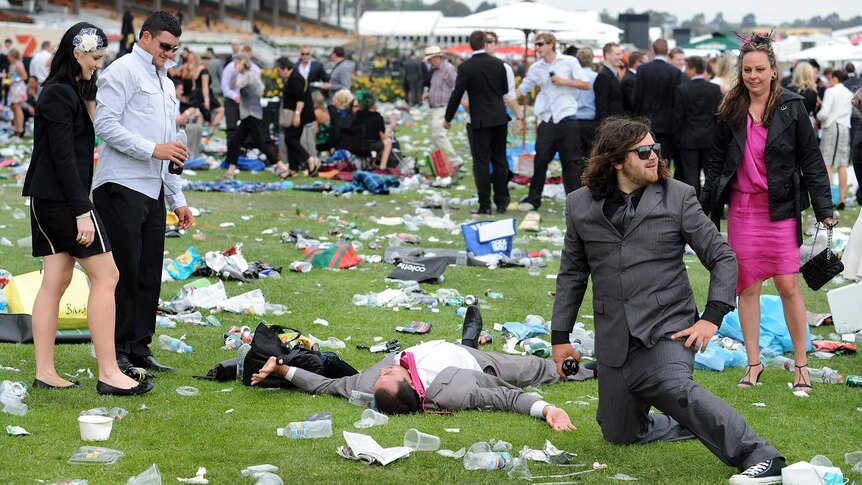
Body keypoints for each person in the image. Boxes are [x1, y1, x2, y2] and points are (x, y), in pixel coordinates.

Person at [551, 116, 787, 485]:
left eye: (655, 149)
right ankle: (696, 422)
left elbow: (723, 257)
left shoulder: (678, 196)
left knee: (670, 383)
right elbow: (572, 275)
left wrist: (712, 316)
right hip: (615, 335)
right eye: (643, 151)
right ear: (616, 160)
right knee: (619, 433)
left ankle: (760, 456)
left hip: (669, 325)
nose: (653, 157)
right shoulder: (579, 205)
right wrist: (559, 337)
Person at [22, 23, 153, 396]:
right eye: (95, 58)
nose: (99, 64)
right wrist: (82, 211)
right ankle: (109, 372)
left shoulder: (73, 90)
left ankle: (45, 371)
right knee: (107, 276)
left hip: (52, 198)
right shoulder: (58, 95)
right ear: (78, 53)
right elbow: (63, 158)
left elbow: (95, 125)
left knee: (57, 280)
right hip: (63, 200)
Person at [701, 33, 833, 392]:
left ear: (774, 70)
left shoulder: (792, 107)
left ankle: (802, 367)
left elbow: (811, 160)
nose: (753, 76)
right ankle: (754, 364)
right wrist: (706, 208)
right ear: (740, 72)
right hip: (743, 210)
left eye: (760, 69)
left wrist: (824, 207)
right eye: (747, 70)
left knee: (789, 286)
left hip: (781, 209)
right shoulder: (730, 107)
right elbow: (716, 161)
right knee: (748, 287)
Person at [252, 306, 592, 429]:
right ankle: (601, 368)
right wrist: (548, 409)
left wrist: (283, 371)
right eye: (387, 375)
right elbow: (507, 397)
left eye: (382, 376)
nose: (381, 371)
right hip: (475, 365)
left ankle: (468, 338)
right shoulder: (455, 392)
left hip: (444, 350)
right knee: (546, 368)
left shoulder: (370, 384)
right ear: (410, 388)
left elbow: (324, 386)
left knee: (465, 346)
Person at [93, 11, 195, 378]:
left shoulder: (167, 83)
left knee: (150, 275)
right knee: (122, 274)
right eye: (165, 47)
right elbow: (104, 126)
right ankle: (115, 352)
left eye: (175, 49)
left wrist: (178, 199)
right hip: (120, 185)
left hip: (153, 189)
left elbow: (172, 149)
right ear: (146, 37)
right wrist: (152, 148)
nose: (170, 55)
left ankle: (139, 347)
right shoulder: (121, 70)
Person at [515, 33, 590, 212]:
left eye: (540, 44)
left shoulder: (569, 62)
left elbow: (586, 84)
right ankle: (534, 200)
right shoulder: (536, 67)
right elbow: (524, 89)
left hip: (567, 117)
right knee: (540, 160)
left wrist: (565, 81)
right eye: (536, 44)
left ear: (551, 45)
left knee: (570, 163)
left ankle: (575, 204)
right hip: (547, 118)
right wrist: (506, 98)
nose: (537, 47)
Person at [444, 31, 511, 215]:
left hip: (480, 119)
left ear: (470, 44)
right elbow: (504, 89)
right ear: (484, 43)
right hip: (499, 117)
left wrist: (448, 118)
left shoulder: (467, 67)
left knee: (481, 162)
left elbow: (457, 94)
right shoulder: (499, 64)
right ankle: (502, 201)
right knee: (499, 159)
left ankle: (485, 204)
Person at [223, 54, 288, 180]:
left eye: (237, 63)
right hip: (251, 114)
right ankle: (231, 171)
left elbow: (233, 86)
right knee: (235, 142)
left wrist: (236, 72)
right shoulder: (252, 75)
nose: (235, 66)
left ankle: (282, 167)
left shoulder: (248, 76)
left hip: (251, 114)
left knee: (259, 143)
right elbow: (261, 89)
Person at [673, 56, 723, 197]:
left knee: (691, 175)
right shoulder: (714, 89)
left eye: (687, 68)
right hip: (709, 138)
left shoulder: (682, 89)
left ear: (694, 69)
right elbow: (717, 116)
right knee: (711, 174)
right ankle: (713, 202)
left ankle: (693, 204)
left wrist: (677, 139)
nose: (685, 71)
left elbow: (678, 118)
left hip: (688, 140)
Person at [634, 39, 683, 162]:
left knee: (644, 158)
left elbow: (637, 97)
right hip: (667, 123)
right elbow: (676, 101)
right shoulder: (674, 72)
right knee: (663, 160)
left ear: (653, 50)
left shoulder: (642, 70)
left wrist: (635, 117)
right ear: (667, 52)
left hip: (645, 121)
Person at [276, 56, 318, 177]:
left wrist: (297, 115)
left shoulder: (295, 79)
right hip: (298, 113)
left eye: (279, 70)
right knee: (291, 139)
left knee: (290, 139)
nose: (278, 73)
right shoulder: (294, 77)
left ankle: (309, 160)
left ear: (285, 69)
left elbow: (301, 98)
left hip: (300, 113)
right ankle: (293, 169)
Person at [817, 70, 853, 209]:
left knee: (827, 163)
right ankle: (841, 198)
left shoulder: (830, 92)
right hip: (845, 128)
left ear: (835, 78)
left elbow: (824, 113)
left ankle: (829, 198)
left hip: (831, 127)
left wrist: (817, 117)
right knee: (842, 164)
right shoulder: (849, 93)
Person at [422, 45, 459, 165]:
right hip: (436, 107)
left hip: (444, 107)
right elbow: (438, 87)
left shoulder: (448, 69)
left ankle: (454, 160)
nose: (429, 62)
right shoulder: (437, 70)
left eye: (430, 59)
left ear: (437, 58)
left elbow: (457, 88)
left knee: (439, 136)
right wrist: (429, 94)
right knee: (436, 136)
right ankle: (444, 163)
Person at [340, 89, 393, 170]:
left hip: (355, 147)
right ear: (373, 103)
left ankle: (371, 163)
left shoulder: (357, 115)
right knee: (388, 141)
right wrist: (389, 129)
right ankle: (382, 166)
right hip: (369, 147)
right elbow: (383, 137)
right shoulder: (377, 117)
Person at [221, 45, 258, 142]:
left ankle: (244, 150)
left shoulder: (254, 70)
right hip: (232, 101)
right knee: (231, 128)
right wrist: (234, 96)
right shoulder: (229, 68)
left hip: (247, 103)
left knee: (248, 128)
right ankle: (231, 150)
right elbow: (225, 86)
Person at [594, 42, 625, 126]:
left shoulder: (612, 74)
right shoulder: (604, 76)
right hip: (610, 127)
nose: (620, 57)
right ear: (607, 55)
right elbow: (601, 107)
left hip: (615, 125)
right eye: (617, 54)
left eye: (620, 54)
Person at [7, 48, 28, 138]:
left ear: (12, 56)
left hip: (18, 88)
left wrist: (14, 80)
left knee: (18, 108)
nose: (7, 57)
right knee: (14, 109)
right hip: (13, 88)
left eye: (9, 56)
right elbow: (10, 76)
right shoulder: (12, 65)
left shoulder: (19, 65)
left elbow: (24, 76)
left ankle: (20, 130)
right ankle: (16, 129)